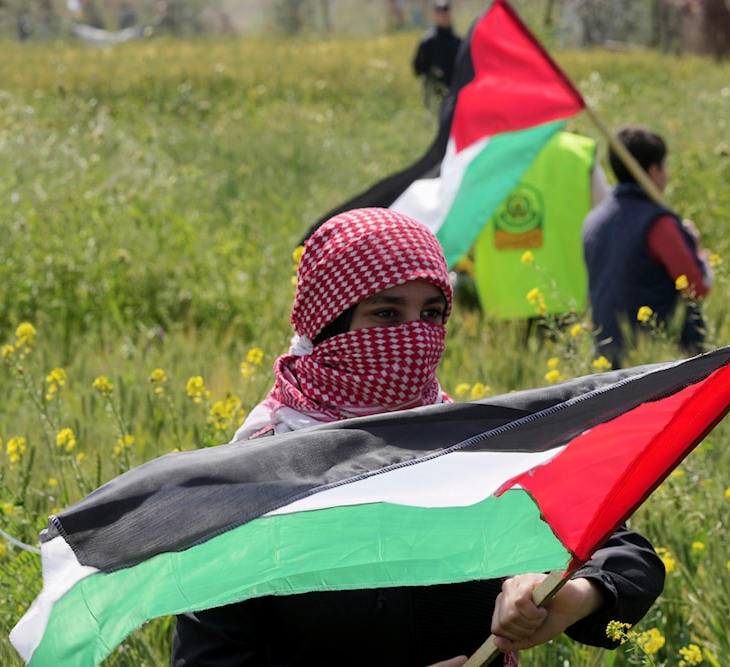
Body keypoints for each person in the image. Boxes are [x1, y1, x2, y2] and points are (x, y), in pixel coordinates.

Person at [171, 207, 665, 666]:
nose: (413, 338)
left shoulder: (471, 445)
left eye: (431, 314)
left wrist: (570, 593)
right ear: (328, 325)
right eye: (386, 314)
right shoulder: (256, 477)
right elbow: (210, 654)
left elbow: (623, 552)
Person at [582, 126, 713, 370]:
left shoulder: (593, 221)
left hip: (608, 365)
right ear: (653, 171)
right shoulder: (658, 225)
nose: (667, 175)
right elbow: (698, 287)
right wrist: (696, 246)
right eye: (664, 167)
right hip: (660, 367)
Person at [471, 131, 611, 337]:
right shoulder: (578, 153)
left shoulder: (479, 158)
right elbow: (606, 218)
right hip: (566, 297)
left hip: (501, 304)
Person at [413, 0, 462, 109]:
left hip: (454, 96)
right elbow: (418, 68)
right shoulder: (428, 41)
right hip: (434, 94)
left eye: (446, 13)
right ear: (435, 15)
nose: (444, 16)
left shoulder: (457, 42)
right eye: (440, 13)